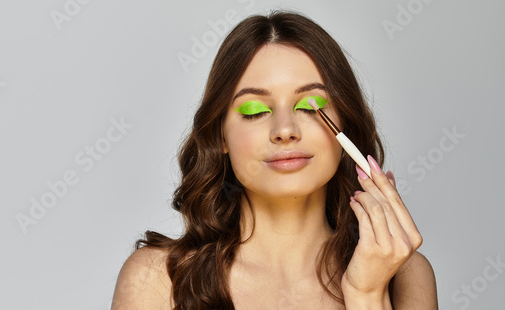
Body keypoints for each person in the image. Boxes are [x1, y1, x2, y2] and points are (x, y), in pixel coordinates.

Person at [111, 11, 436, 309]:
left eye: (309, 107)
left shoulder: (406, 275)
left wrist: (367, 295)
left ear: (346, 124)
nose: (285, 130)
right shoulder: (157, 279)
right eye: (254, 110)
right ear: (220, 136)